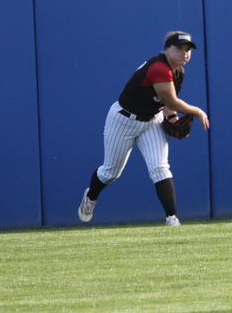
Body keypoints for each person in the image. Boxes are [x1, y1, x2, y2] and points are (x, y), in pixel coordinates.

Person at [78, 31, 210, 227]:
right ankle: (91, 197)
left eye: (188, 50)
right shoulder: (159, 68)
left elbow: (164, 102)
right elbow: (172, 101)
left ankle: (172, 219)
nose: (184, 53)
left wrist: (171, 117)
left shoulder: (177, 71)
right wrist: (197, 111)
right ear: (166, 49)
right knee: (110, 172)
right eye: (179, 48)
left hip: (151, 120)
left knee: (160, 168)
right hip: (123, 120)